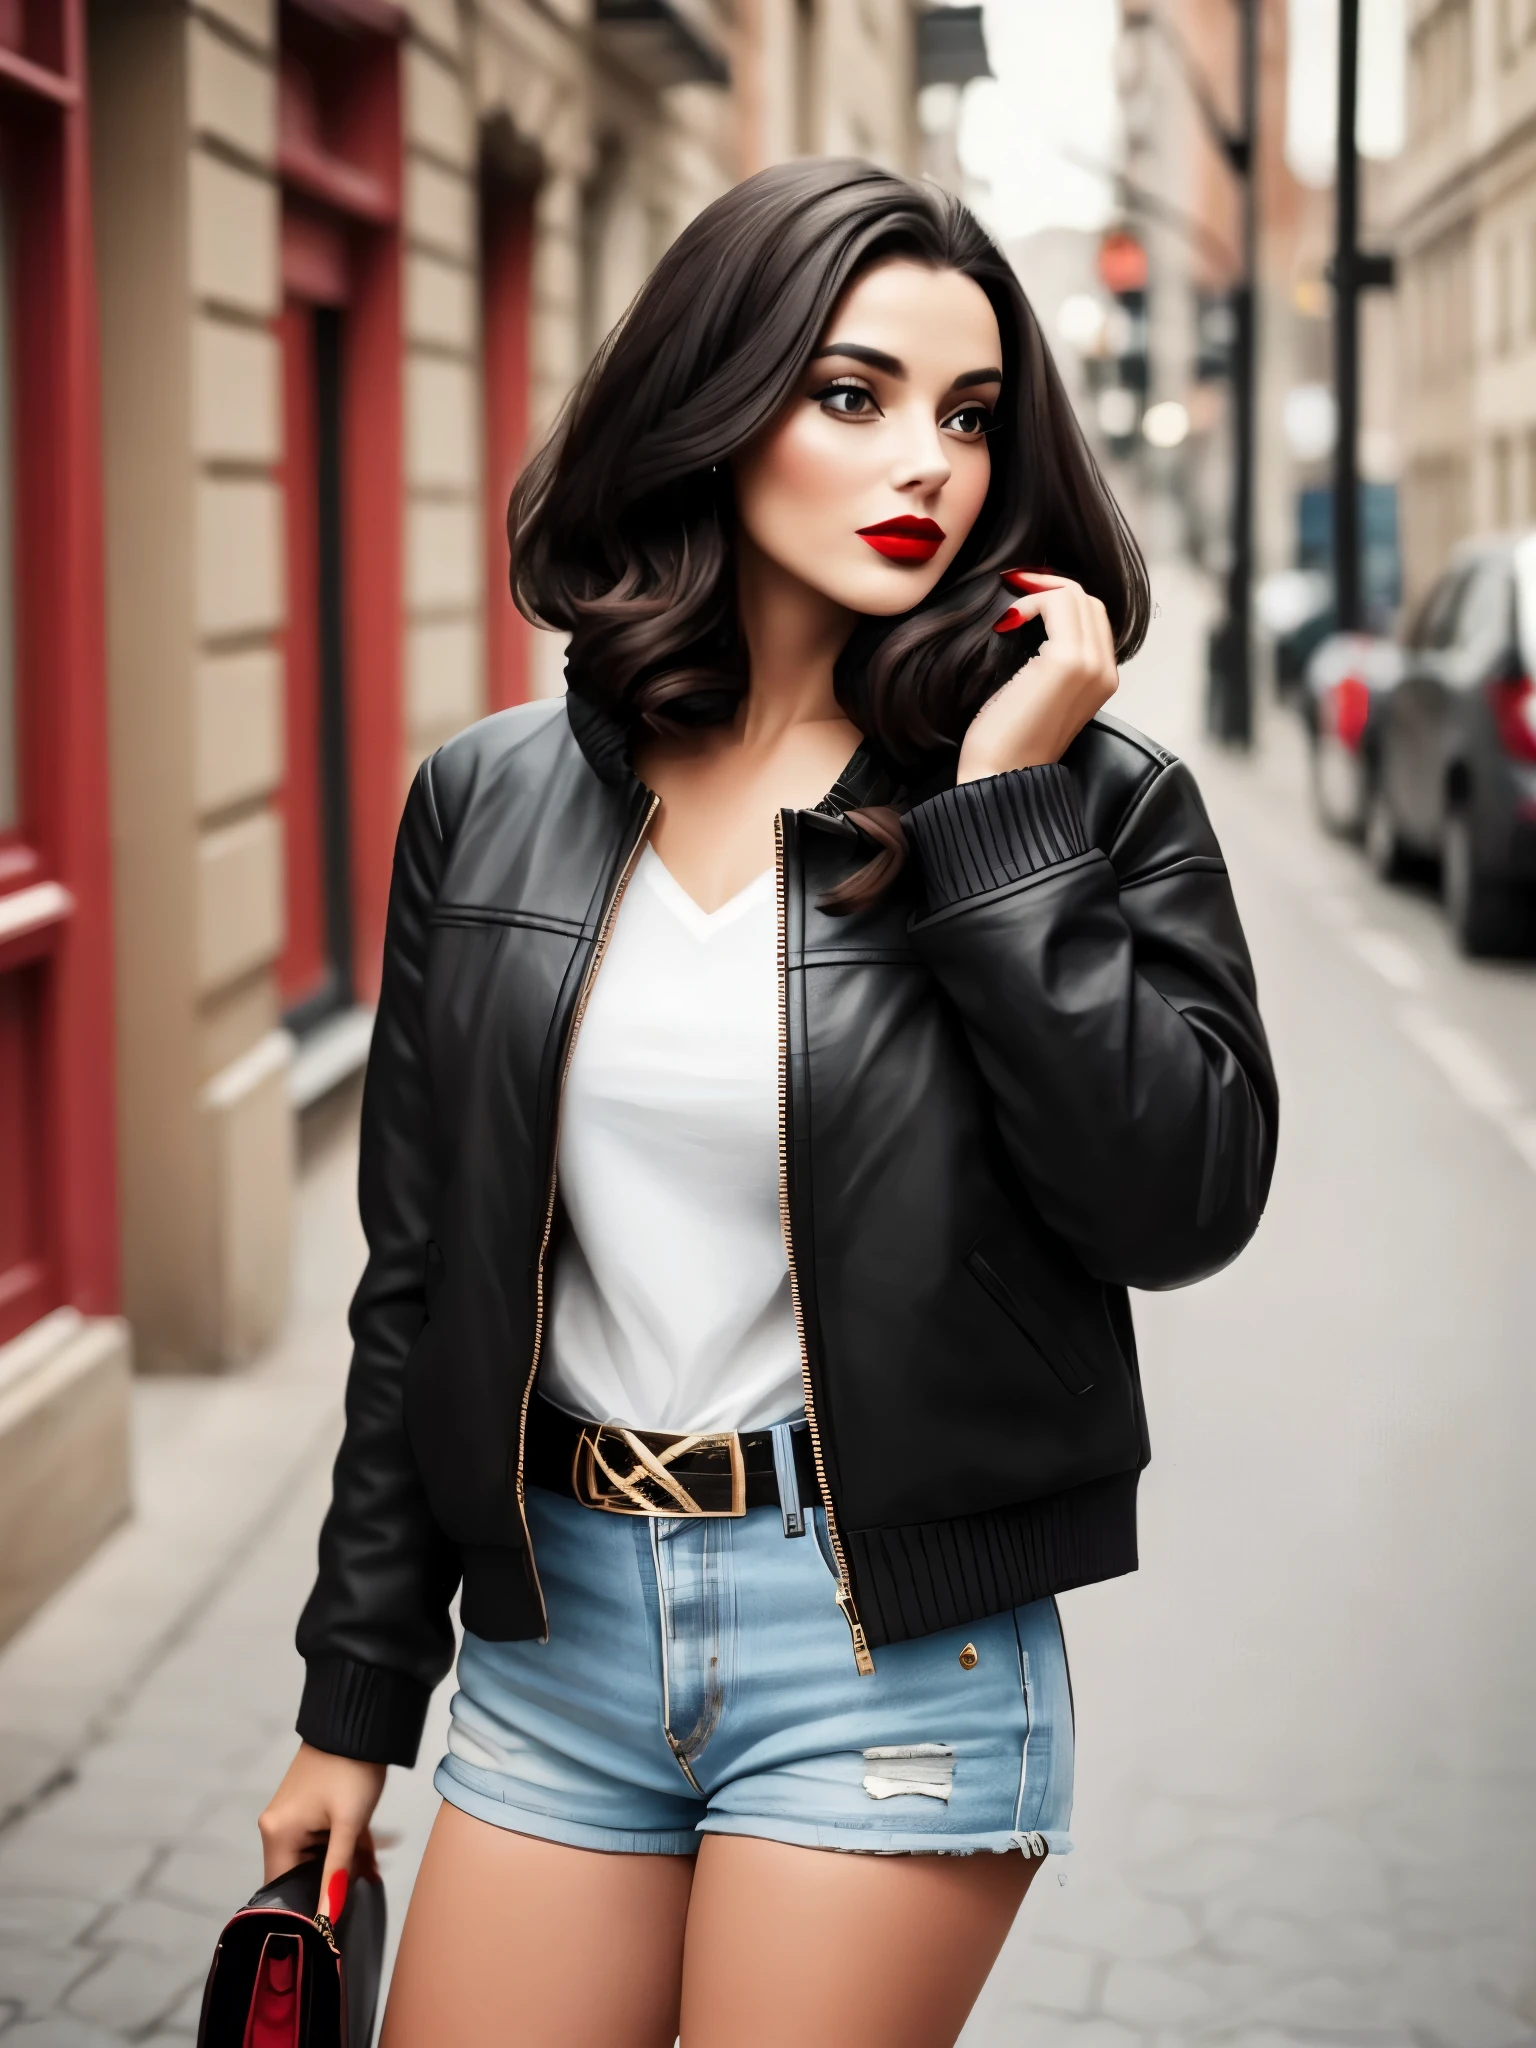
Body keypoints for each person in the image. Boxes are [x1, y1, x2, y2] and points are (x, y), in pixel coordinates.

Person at [258, 159, 1277, 2047]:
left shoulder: (1085, 804)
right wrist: (351, 1707)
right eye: (854, 396)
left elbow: (1178, 1205)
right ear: (718, 406)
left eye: (971, 418)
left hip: (882, 1650)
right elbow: (423, 1295)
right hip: (554, 1639)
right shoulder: (488, 804)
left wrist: (997, 822)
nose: (931, 468)